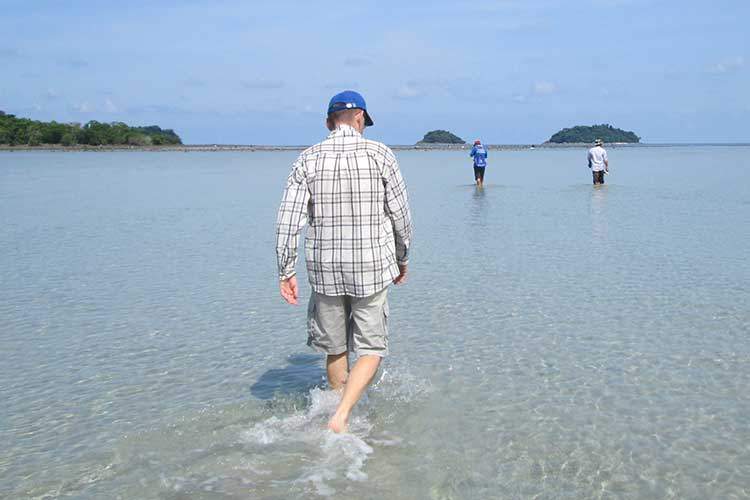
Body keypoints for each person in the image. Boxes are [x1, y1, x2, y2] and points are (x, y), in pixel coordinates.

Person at [275, 90, 413, 433]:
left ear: (328, 122)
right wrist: (402, 256)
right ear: (360, 118)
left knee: (334, 348)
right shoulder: (381, 153)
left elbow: (287, 219)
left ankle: (337, 410)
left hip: (324, 270)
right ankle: (343, 414)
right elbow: (401, 215)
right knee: (371, 348)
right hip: (371, 266)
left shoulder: (307, 159)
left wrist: (285, 269)